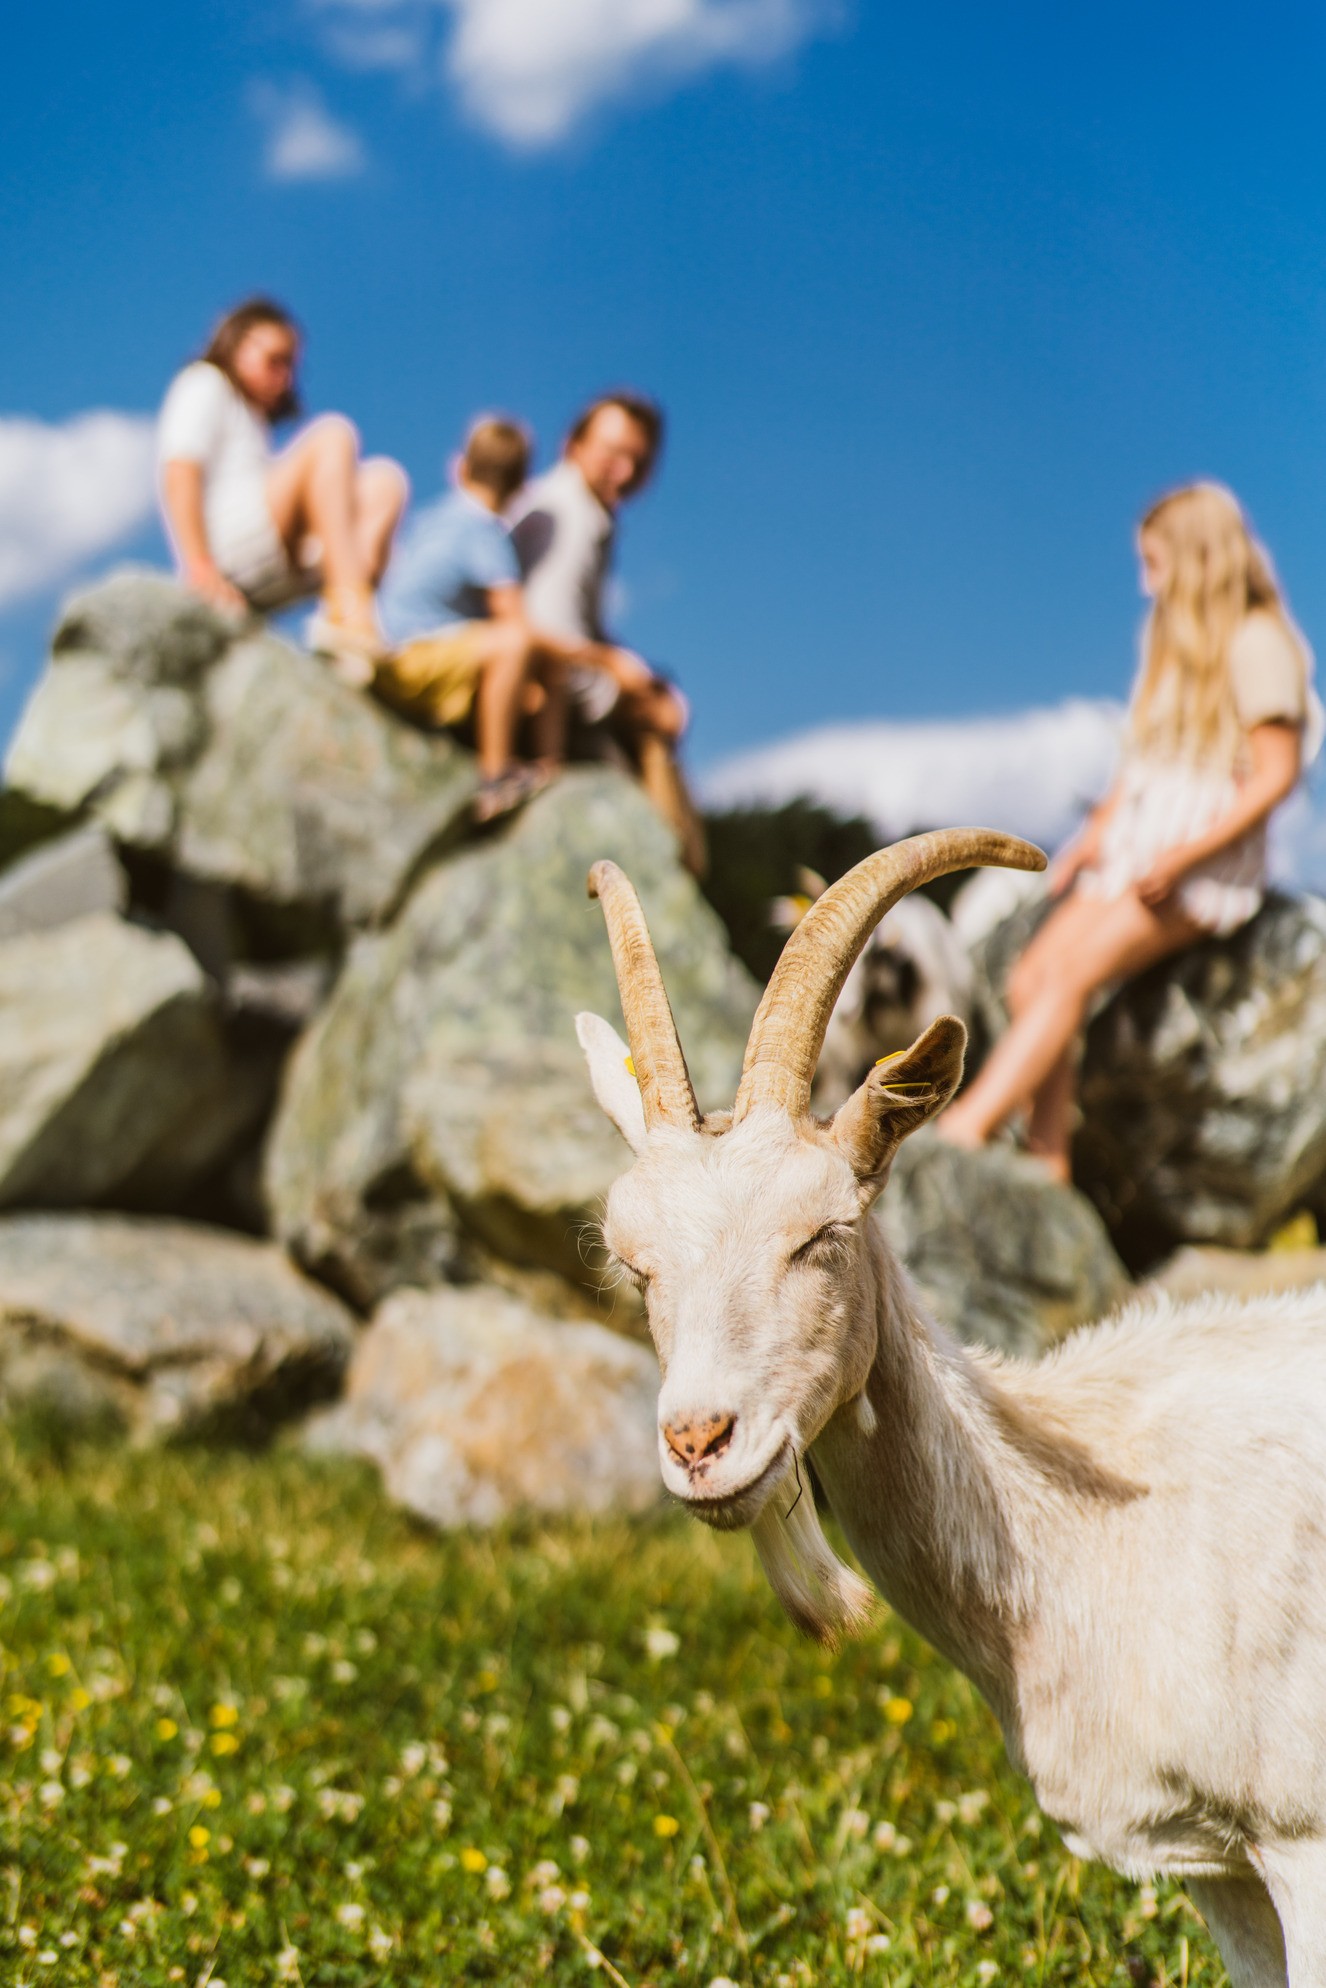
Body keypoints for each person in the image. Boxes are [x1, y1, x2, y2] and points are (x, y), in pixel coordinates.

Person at [940, 481, 1316, 1180]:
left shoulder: (1262, 644)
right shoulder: (1171, 647)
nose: (1148, 585)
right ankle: (1048, 1154)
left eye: (1157, 563)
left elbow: (1274, 774)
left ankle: (969, 1126)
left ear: (1199, 559)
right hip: (1138, 847)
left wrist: (1184, 856)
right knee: (1031, 978)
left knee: (1070, 977)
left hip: (1198, 862)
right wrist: (1095, 833)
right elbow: (1143, 766)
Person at [509, 393, 706, 874]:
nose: (624, 472)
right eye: (612, 453)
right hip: (544, 702)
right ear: (572, 445)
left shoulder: (577, 509)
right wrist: (626, 691)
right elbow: (549, 638)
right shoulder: (570, 515)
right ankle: (672, 877)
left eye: (637, 462)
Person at [158, 297, 407, 667]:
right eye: (275, 360)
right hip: (227, 551)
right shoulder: (204, 382)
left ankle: (347, 626)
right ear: (237, 343)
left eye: (291, 366)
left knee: (386, 481)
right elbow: (180, 473)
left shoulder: (253, 423)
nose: (285, 377)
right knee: (333, 435)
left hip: (274, 560)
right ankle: (351, 610)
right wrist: (198, 566)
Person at [376, 417, 566, 822]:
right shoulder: (483, 530)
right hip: (413, 658)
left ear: (459, 467)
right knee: (517, 644)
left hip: (390, 649)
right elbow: (516, 622)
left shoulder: (433, 518)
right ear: (519, 487)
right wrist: (599, 659)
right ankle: (499, 777)